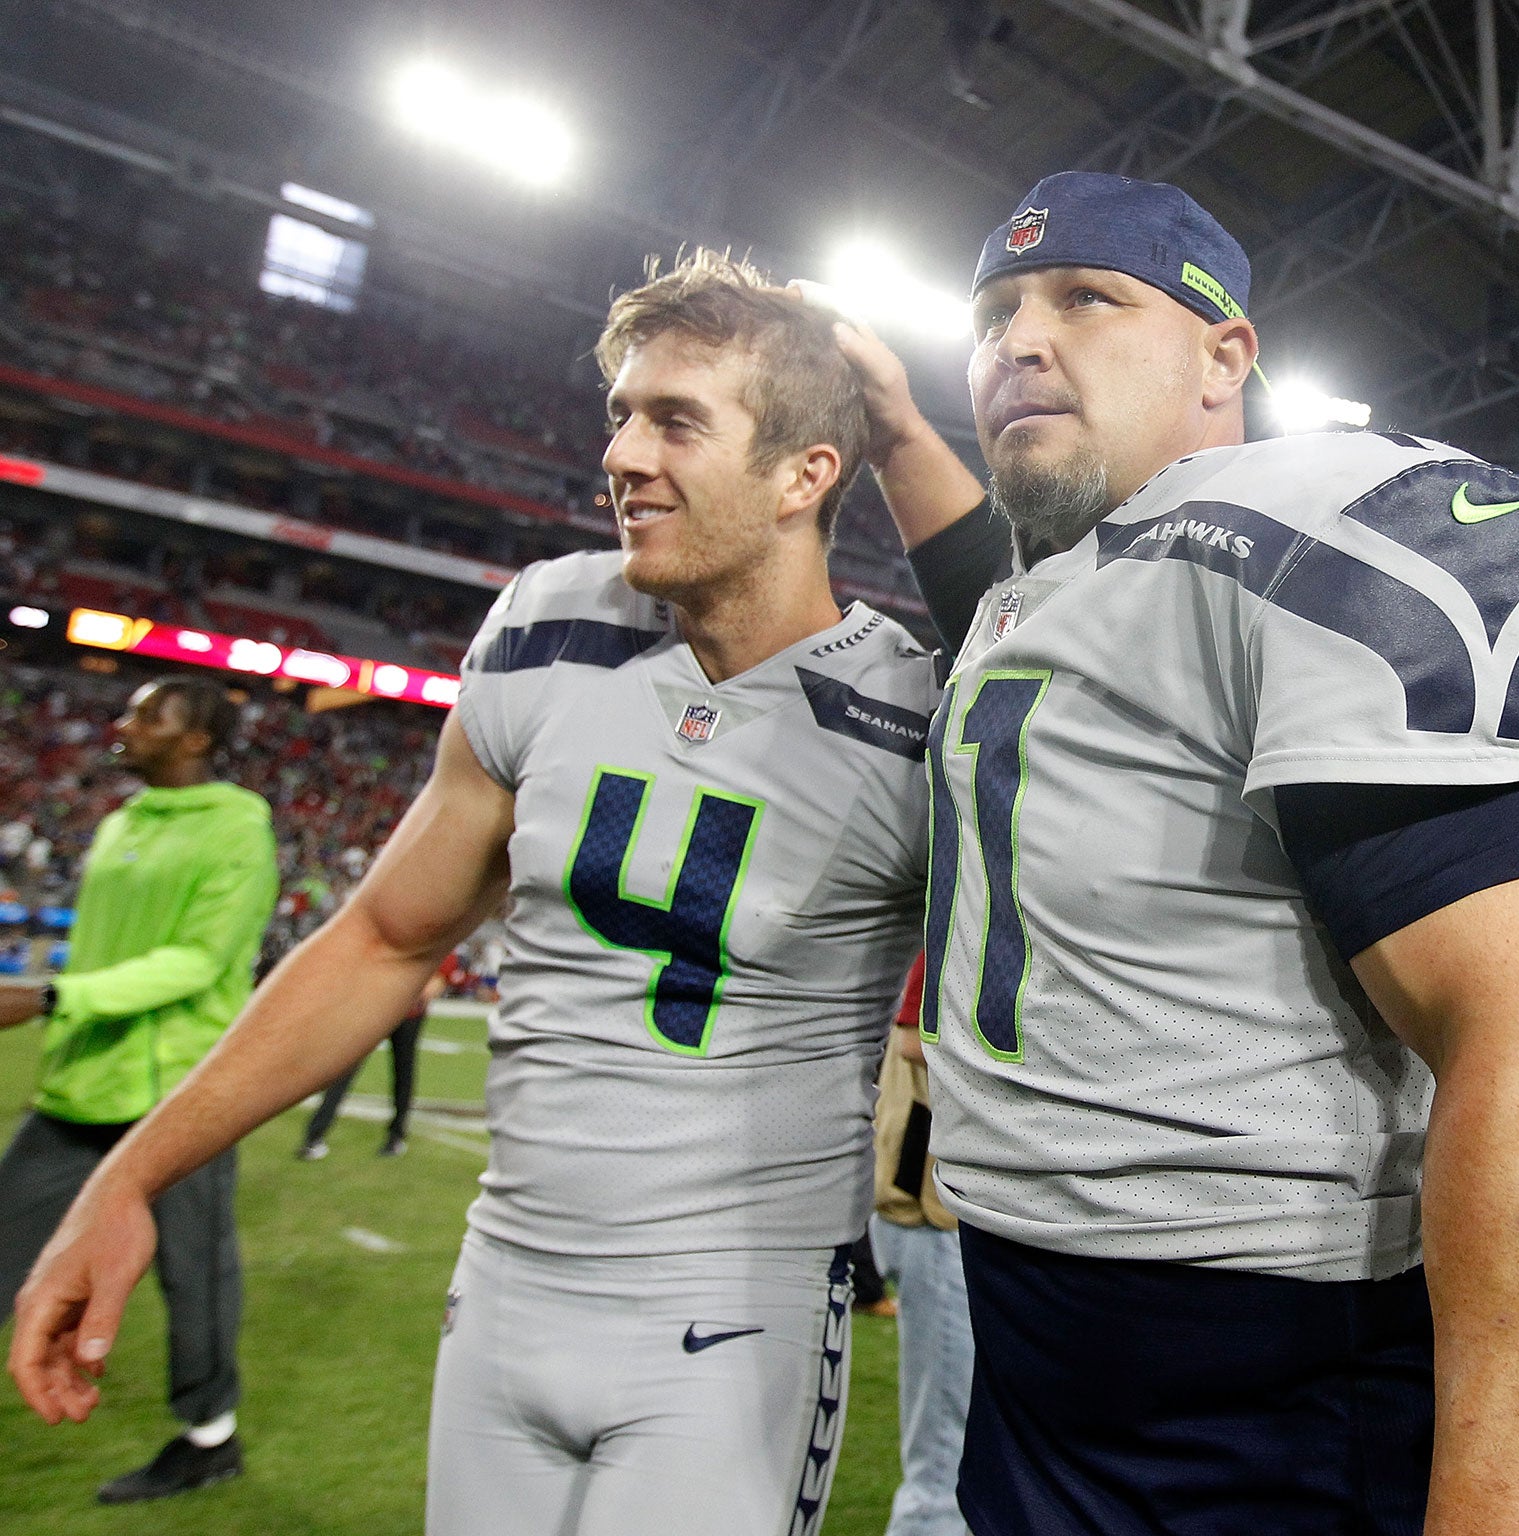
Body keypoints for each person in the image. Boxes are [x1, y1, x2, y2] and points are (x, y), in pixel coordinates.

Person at [10, 253, 934, 1536]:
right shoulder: (545, 623)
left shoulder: (912, 715)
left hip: (737, 1314)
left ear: (802, 475)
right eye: (619, 411)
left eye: (674, 420)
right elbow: (387, 937)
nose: (621, 451)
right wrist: (128, 1177)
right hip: (504, 1282)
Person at [830, 171, 1519, 1535]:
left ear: (1225, 354)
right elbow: (1023, 618)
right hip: (1028, 1329)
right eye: (995, 311)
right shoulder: (1057, 583)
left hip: (1267, 1382)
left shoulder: (1332, 530)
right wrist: (897, 428)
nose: (1019, 340)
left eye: (1086, 298)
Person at [0, 675, 277, 1503]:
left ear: (196, 740)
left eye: (148, 715)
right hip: (82, 1082)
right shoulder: (122, 820)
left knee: (193, 1273)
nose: (126, 724)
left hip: (178, 1094)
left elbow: (197, 960)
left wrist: (52, 996)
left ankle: (208, 1438)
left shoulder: (239, 825)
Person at [870, 954, 973, 1536]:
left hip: (961, 1214)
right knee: (943, 1465)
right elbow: (913, 1038)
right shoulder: (965, 900)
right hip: (933, 1212)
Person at [298, 959, 450, 1160]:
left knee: (402, 1071)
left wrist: (438, 977)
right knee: (346, 1068)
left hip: (408, 1009)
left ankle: (396, 1136)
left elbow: (444, 960)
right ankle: (315, 1136)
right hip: (376, 1005)